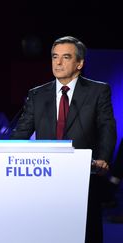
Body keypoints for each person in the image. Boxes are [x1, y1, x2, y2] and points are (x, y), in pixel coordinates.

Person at [10, 36, 116, 243]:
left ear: (79, 63)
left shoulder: (97, 90)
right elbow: (21, 132)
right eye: (54, 57)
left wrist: (103, 157)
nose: (57, 63)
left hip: (84, 172)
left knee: (87, 232)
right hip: (46, 174)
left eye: (65, 57)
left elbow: (107, 126)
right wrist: (4, 153)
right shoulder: (37, 94)